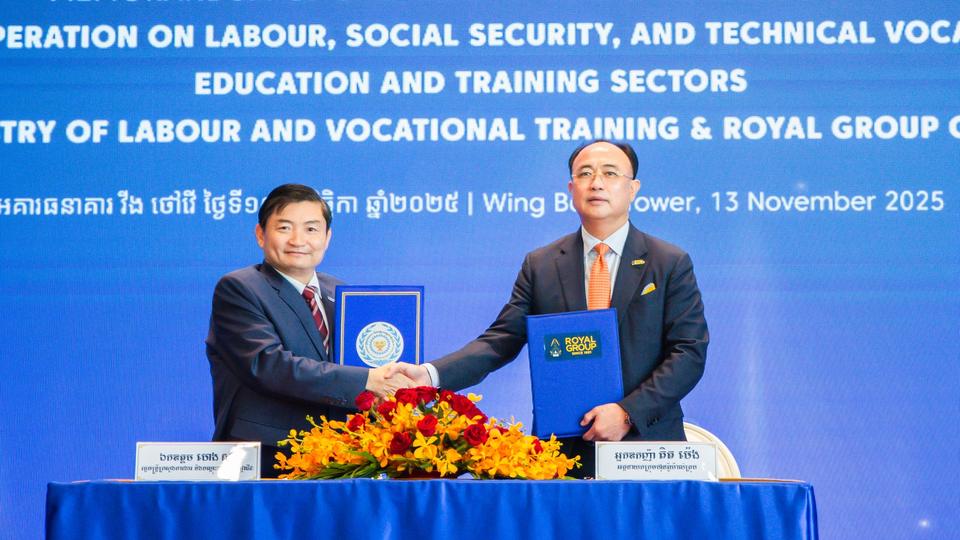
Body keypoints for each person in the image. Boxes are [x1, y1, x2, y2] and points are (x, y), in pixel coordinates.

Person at [398, 140, 708, 477]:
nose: (597, 183)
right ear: (571, 188)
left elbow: (688, 353)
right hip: (564, 450)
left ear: (633, 188)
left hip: (646, 451)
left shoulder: (669, 262)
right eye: (585, 174)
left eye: (610, 173)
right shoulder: (542, 264)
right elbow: (499, 341)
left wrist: (626, 412)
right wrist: (430, 375)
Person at [206, 183, 414, 478]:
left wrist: (389, 387)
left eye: (311, 229)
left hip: (342, 456)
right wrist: (369, 380)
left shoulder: (342, 292)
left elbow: (359, 363)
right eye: (284, 228)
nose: (298, 240)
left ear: (327, 238)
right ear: (260, 235)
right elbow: (268, 365)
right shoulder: (240, 288)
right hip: (268, 457)